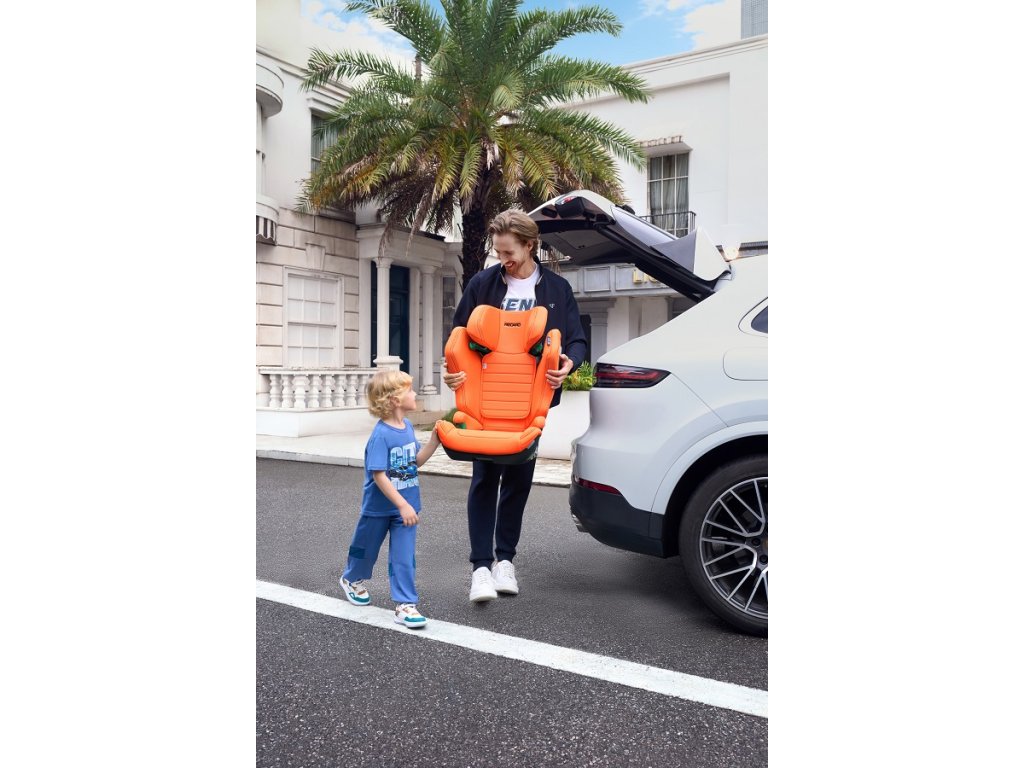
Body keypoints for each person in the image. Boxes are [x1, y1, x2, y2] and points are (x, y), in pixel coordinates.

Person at [443, 209, 587, 602]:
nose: (502, 258)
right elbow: (459, 335)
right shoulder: (483, 284)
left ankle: (505, 561)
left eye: (509, 252)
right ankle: (480, 568)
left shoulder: (556, 289)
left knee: (518, 482)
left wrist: (569, 364)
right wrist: (453, 372)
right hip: (486, 400)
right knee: (484, 479)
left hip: (530, 403)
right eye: (498, 251)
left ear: (529, 245)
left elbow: (576, 340)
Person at [339, 370, 443, 628]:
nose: (415, 393)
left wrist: (434, 442)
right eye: (410, 390)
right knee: (365, 550)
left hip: (405, 510)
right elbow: (379, 475)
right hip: (378, 509)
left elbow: (415, 462)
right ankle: (351, 579)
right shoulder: (381, 435)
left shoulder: (406, 427)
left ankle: (405, 605)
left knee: (403, 557)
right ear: (395, 400)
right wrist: (402, 504)